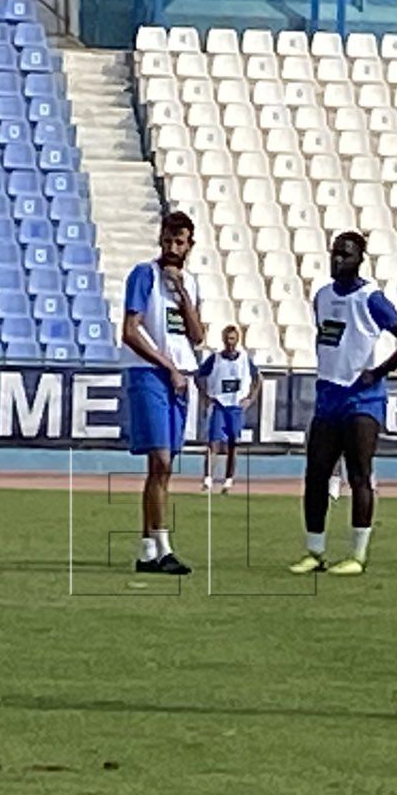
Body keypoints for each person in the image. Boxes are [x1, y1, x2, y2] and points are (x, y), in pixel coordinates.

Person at [288, 231, 397, 577]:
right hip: (328, 397)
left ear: (360, 259)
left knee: (359, 474)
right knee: (316, 475)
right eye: (335, 253)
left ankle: (357, 555)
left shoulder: (371, 298)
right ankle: (314, 551)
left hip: (362, 400)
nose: (337, 260)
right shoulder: (322, 296)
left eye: (345, 255)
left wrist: (376, 373)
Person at [120, 210, 205, 574]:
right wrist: (167, 366)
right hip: (151, 374)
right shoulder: (145, 275)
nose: (172, 247)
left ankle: (147, 550)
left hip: (179, 377)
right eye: (168, 240)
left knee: (162, 469)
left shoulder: (192, 284)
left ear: (189, 245)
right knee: (161, 461)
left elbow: (198, 336)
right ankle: (164, 548)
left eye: (179, 242)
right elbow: (129, 329)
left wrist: (183, 293)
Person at [196, 324, 259, 493]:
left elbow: (257, 378)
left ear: (237, 340)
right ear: (223, 340)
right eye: (227, 339)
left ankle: (228, 480)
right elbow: (199, 376)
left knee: (233, 443)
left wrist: (250, 398)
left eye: (233, 339)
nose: (230, 343)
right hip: (220, 404)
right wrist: (205, 396)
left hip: (236, 406)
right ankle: (208, 478)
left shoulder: (244, 359)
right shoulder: (215, 358)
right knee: (213, 443)